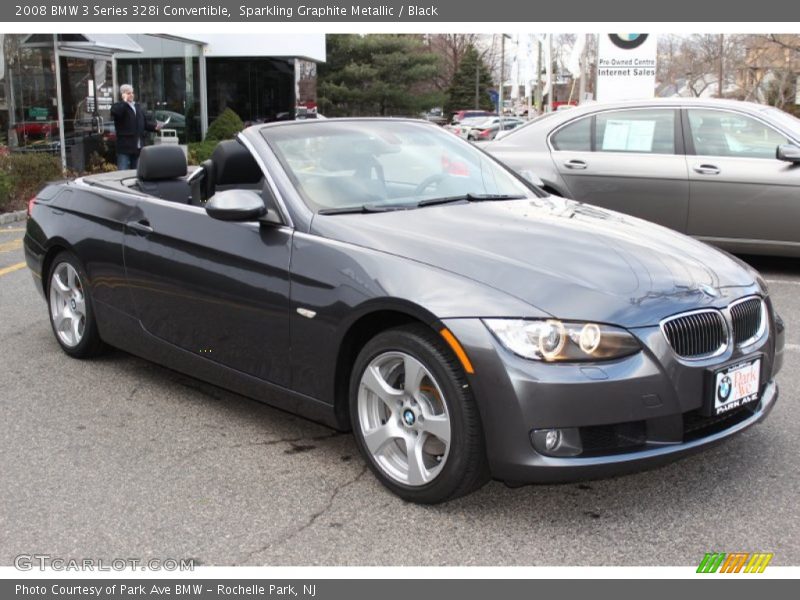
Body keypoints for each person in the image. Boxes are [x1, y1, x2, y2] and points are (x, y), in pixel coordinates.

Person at [109, 84, 160, 170]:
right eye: (129, 93)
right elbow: (117, 113)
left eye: (132, 92)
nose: (132, 95)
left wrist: (155, 127)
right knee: (123, 173)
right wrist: (124, 101)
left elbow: (144, 123)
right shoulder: (118, 106)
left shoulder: (137, 107)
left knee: (136, 173)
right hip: (125, 148)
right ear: (123, 94)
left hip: (138, 147)